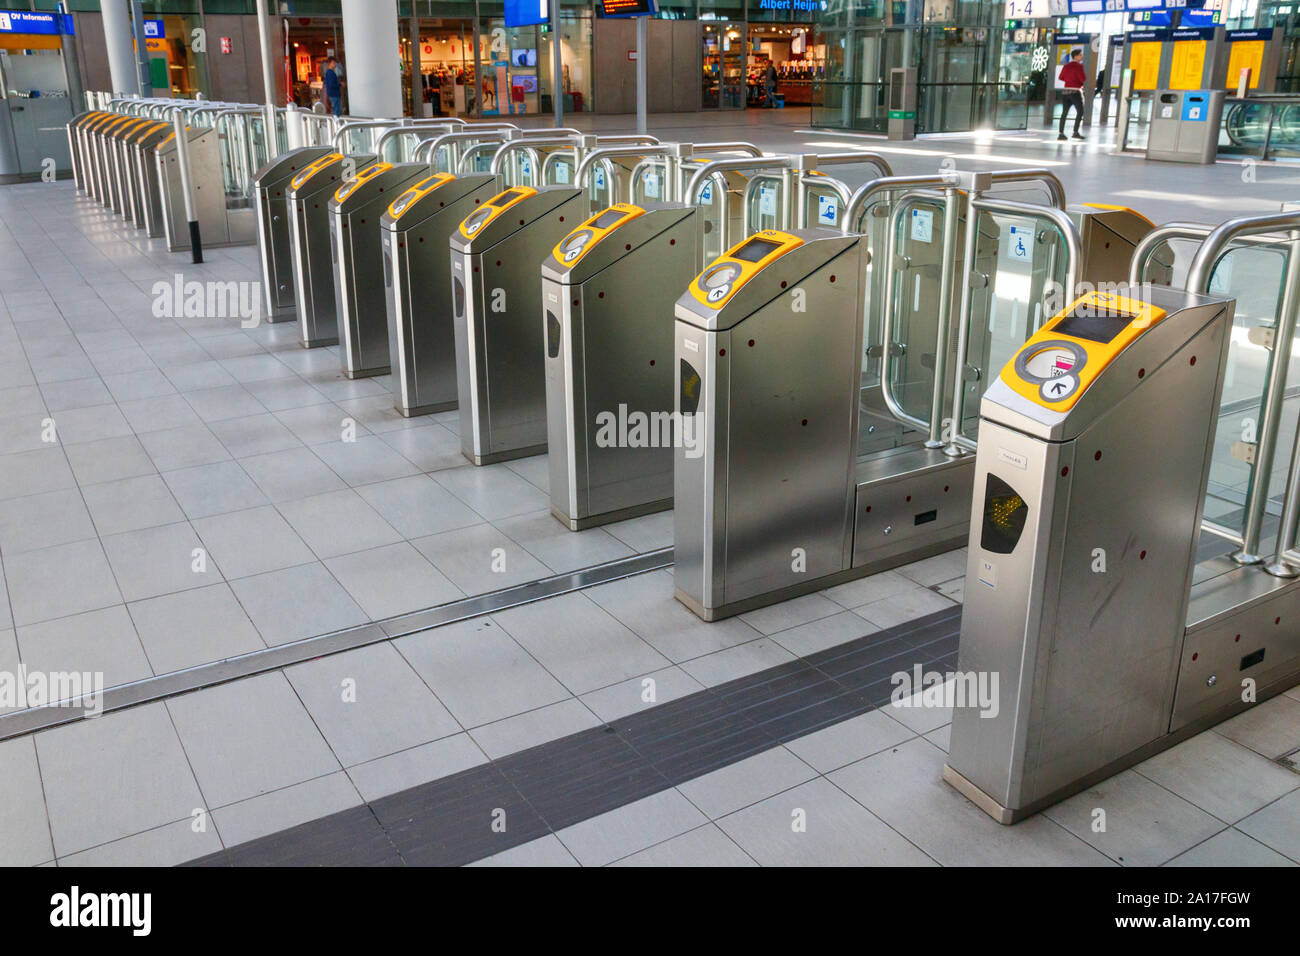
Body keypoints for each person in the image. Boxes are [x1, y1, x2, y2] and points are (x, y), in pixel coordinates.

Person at [1057, 48, 1087, 141]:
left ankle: (1061, 133)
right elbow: (1083, 79)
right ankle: (1075, 132)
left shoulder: (1066, 66)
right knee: (1080, 111)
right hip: (1075, 91)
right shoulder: (1079, 66)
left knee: (1064, 112)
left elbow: (1061, 77)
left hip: (1066, 91)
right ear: (1076, 56)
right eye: (1080, 55)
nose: (1082, 56)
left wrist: (1069, 80)